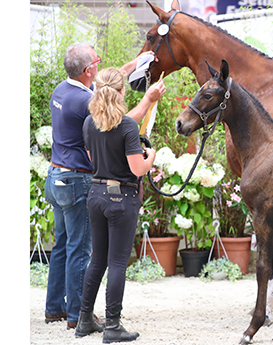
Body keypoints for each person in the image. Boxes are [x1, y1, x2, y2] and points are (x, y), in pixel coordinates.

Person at [44, 42, 160, 330]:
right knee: (81, 250)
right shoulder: (88, 105)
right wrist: (147, 100)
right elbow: (121, 123)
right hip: (77, 179)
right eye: (96, 60)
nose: (98, 63)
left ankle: (55, 308)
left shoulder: (62, 90)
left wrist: (135, 63)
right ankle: (77, 315)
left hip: (56, 175)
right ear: (87, 71)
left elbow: (107, 85)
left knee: (62, 246)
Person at [76, 67, 164, 343]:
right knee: (116, 263)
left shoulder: (90, 122)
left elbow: (92, 158)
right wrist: (151, 155)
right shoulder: (127, 126)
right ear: (122, 92)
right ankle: (112, 325)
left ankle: (84, 320)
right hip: (121, 199)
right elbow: (138, 169)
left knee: (98, 260)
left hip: (97, 194)